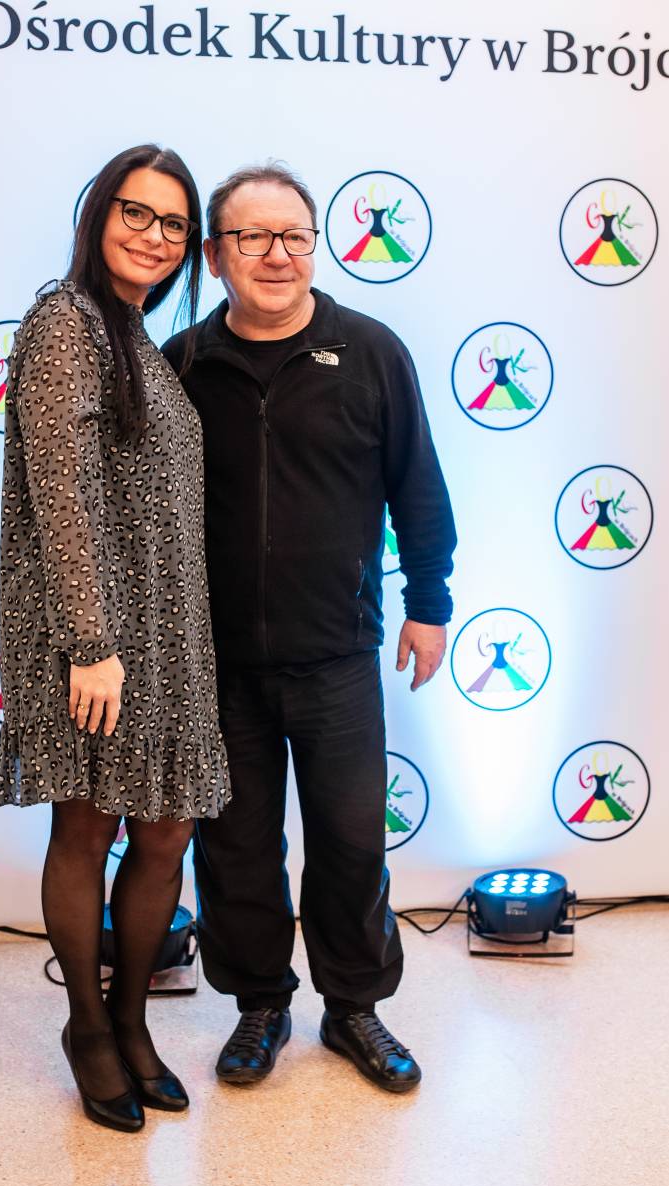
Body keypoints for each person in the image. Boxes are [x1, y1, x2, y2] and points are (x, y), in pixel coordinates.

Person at [163, 162, 456, 1093]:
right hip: (217, 667)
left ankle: (352, 1007)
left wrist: (429, 604)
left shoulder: (370, 352)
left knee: (350, 842)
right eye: (251, 237)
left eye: (293, 235)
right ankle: (260, 1005)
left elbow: (417, 487)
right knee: (235, 848)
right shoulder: (181, 363)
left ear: (314, 246)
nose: (276, 254)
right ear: (216, 256)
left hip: (337, 656)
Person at [0, 145, 231, 1132]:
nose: (155, 236)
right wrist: (90, 644)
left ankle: (131, 1022)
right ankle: (87, 1031)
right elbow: (61, 493)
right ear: (98, 214)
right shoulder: (65, 321)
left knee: (165, 827)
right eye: (137, 212)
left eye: (174, 224)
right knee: (87, 826)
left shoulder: (133, 334)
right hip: (94, 634)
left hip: (168, 629)